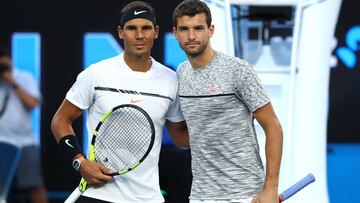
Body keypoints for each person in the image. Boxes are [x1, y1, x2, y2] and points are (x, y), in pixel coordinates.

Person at [51, 1, 188, 203]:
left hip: (148, 198)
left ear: (156, 32)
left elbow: (180, 137)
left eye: (146, 28)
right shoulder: (96, 74)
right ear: (120, 32)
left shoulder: (171, 80)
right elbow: (60, 120)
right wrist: (80, 162)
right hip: (98, 195)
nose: (139, 35)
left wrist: (222, 124)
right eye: (132, 28)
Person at [172, 1, 283, 203]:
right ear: (175, 33)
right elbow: (184, 138)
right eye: (184, 29)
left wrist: (271, 188)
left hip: (245, 194)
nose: (191, 36)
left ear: (210, 30)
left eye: (198, 28)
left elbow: (273, 126)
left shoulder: (238, 70)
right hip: (200, 195)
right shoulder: (180, 73)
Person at [0, 46, 48, 203]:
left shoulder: (24, 77)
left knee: (34, 185)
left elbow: (32, 103)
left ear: (9, 60)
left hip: (24, 142)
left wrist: (13, 83)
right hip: (1, 141)